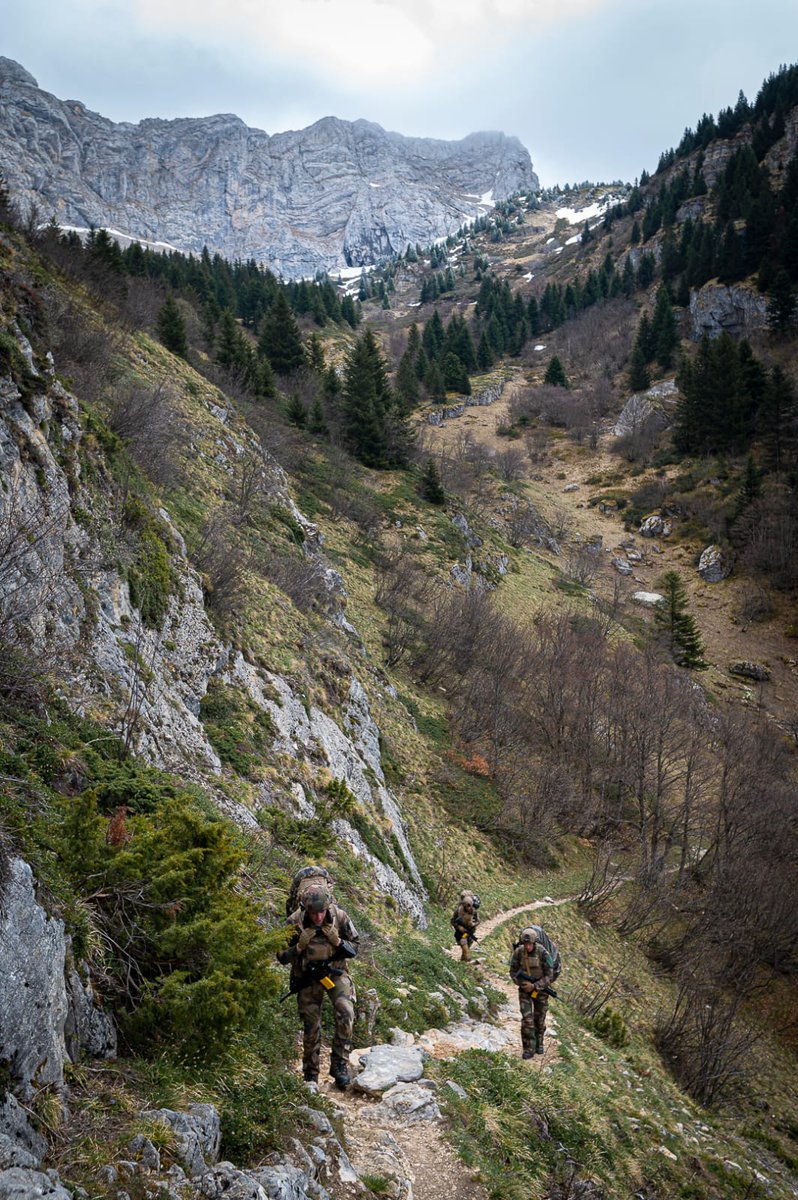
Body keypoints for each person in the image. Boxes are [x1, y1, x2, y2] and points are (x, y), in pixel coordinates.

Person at [277, 883, 359, 1088]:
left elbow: (355, 947)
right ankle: (311, 1074)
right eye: (313, 914)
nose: (318, 917)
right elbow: (281, 956)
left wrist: (338, 942)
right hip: (308, 977)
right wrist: (298, 947)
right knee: (311, 1025)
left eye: (322, 912)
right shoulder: (294, 922)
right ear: (305, 910)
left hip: (335, 973)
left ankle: (339, 1065)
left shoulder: (340, 917)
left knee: (346, 1011)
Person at [509, 926, 554, 1058]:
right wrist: (522, 984)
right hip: (524, 991)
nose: (527, 947)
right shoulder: (518, 952)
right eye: (525, 944)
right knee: (527, 1020)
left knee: (539, 1020)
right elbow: (512, 971)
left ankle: (539, 1043)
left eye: (530, 944)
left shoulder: (543, 953)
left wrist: (535, 985)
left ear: (534, 942)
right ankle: (528, 1048)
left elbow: (549, 976)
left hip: (540, 991)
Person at [451, 889, 480, 962]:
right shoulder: (458, 911)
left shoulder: (474, 911)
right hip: (461, 934)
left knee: (468, 944)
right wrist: (459, 927)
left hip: (469, 933)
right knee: (465, 946)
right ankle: (466, 959)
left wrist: (473, 924)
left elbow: (478, 921)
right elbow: (452, 921)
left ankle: (462, 963)